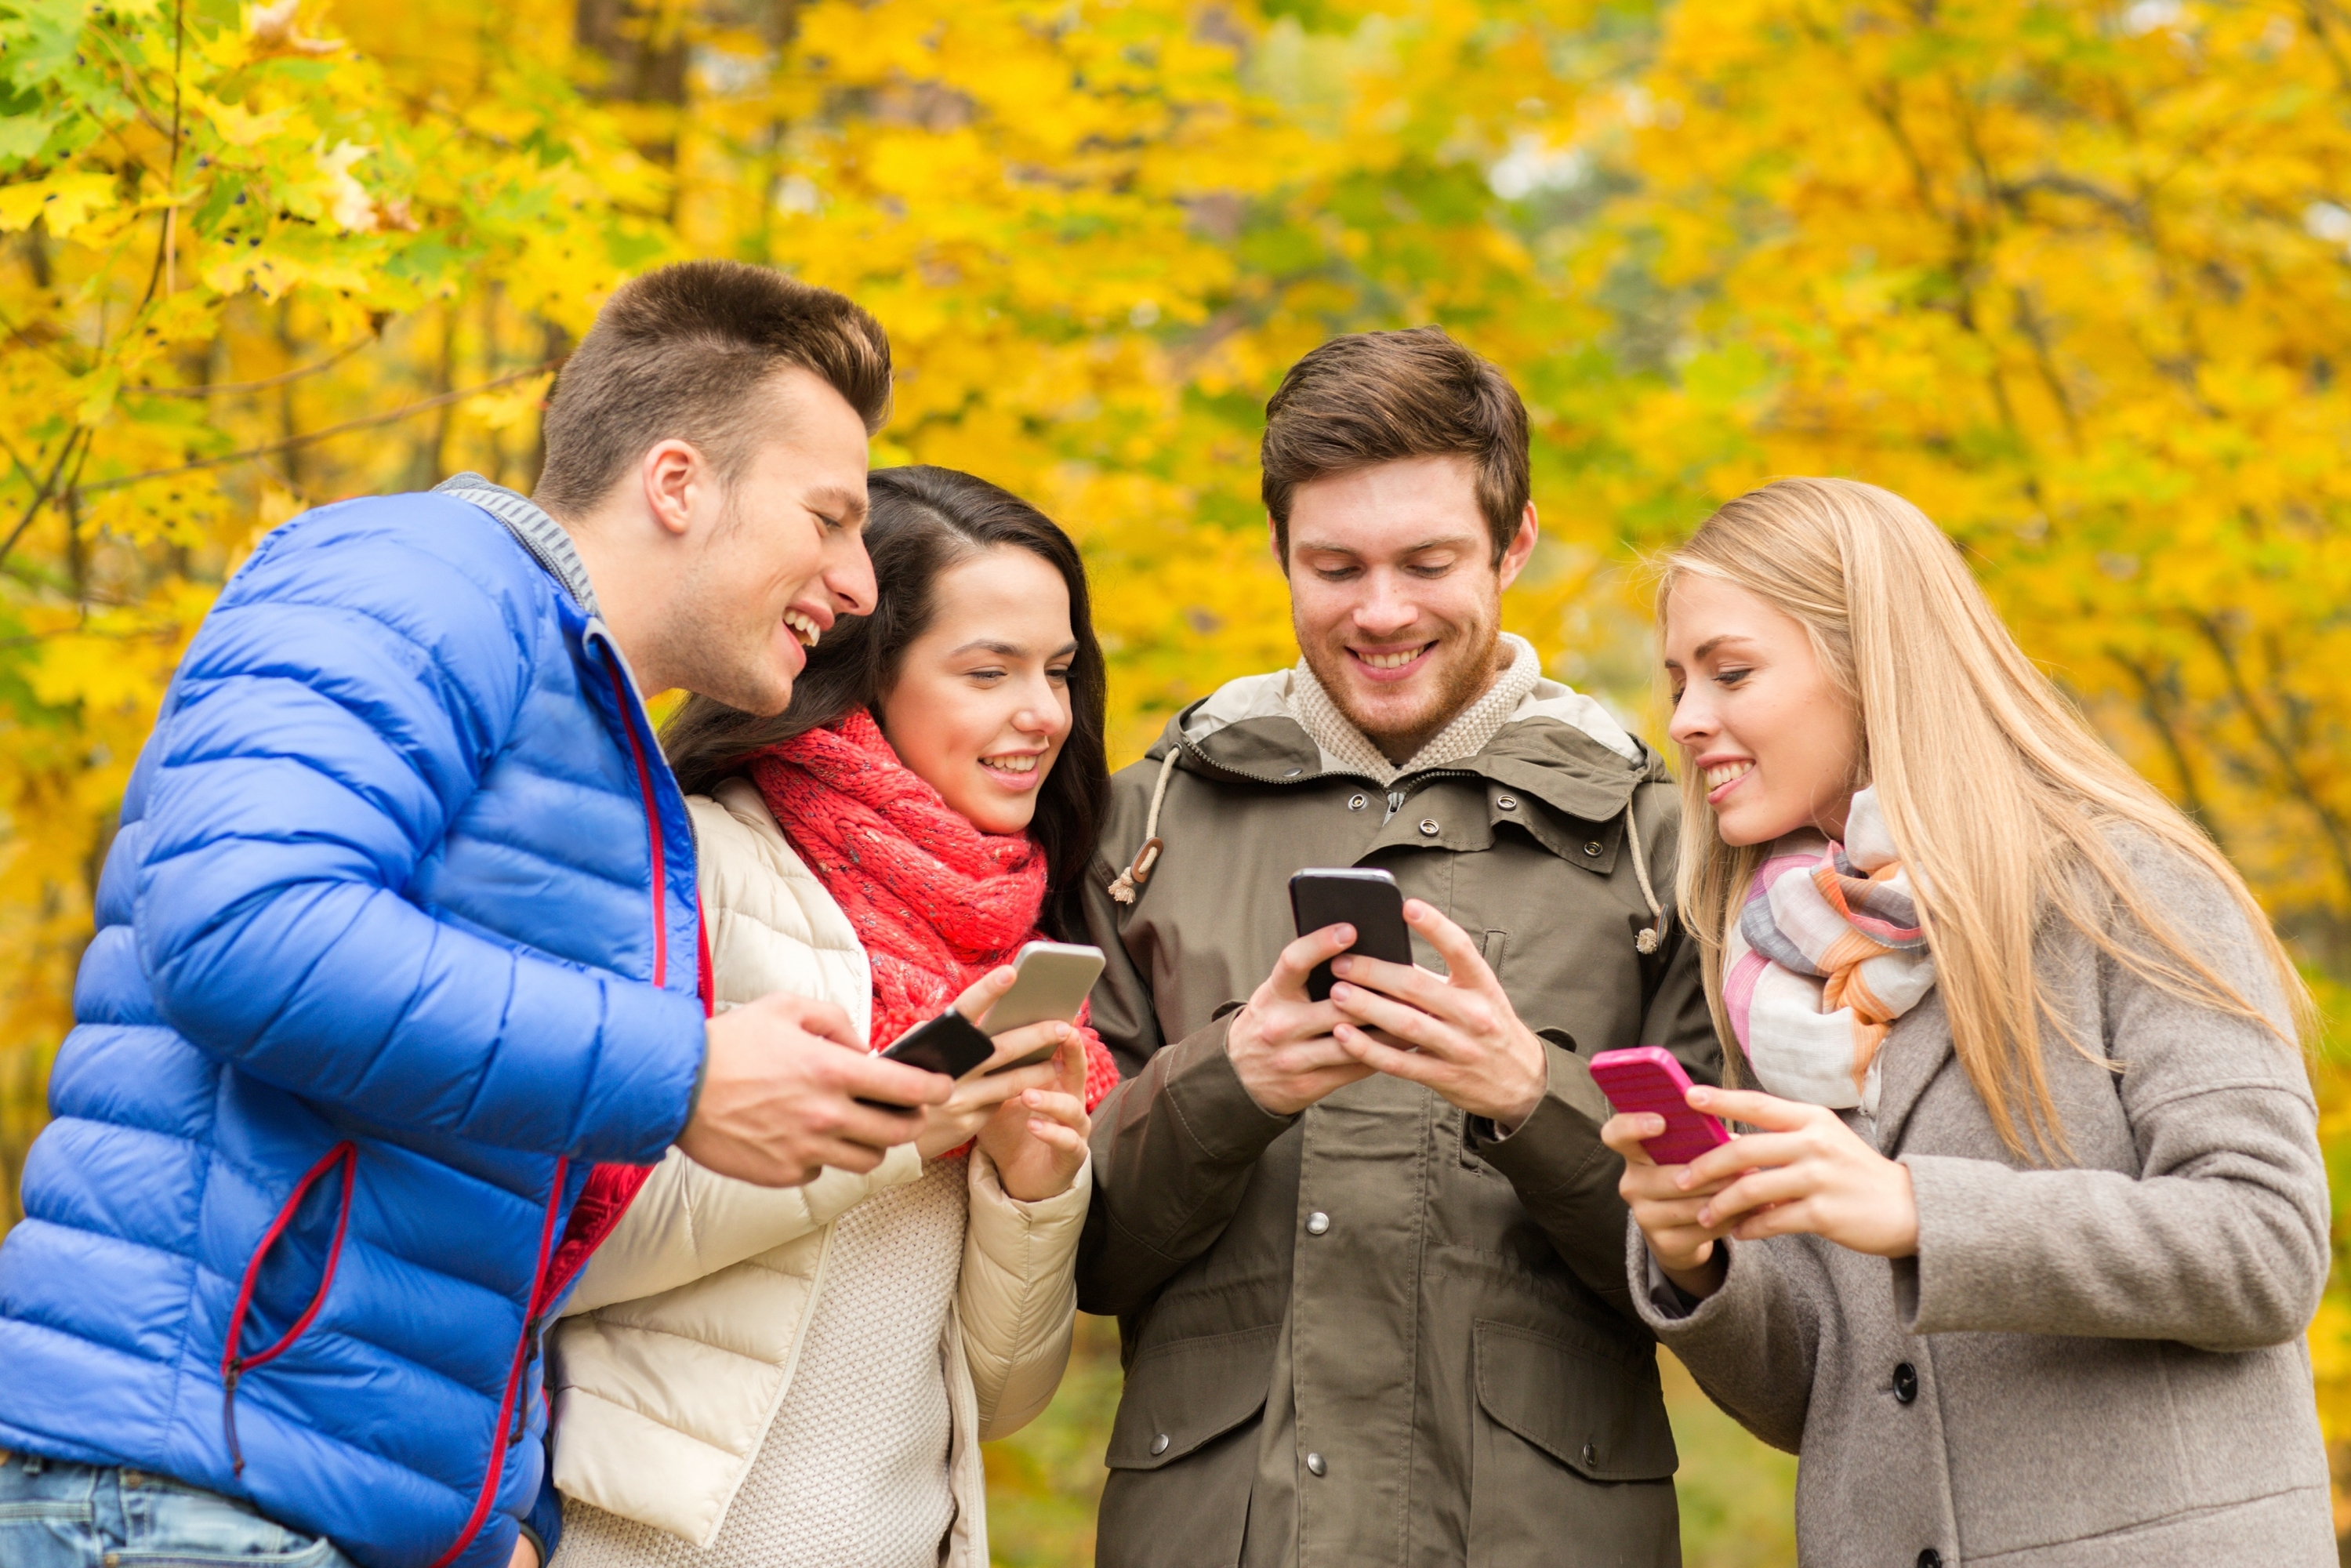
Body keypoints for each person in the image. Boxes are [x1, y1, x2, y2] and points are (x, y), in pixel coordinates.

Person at [0, 261, 967, 1568]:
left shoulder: (602, 742)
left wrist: (498, 1511)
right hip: (185, 1494)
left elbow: (446, 1180)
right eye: (830, 518)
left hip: (323, 1508)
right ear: (677, 484)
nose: (858, 582)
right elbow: (243, 926)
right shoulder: (410, 574)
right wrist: (680, 1069)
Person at [1063, 326, 1719, 1568]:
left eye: (1428, 563)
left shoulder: (1662, 842)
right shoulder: (1143, 821)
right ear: (1279, 555)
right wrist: (1231, 1082)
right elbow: (1072, 1253)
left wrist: (1531, 1097)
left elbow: (1715, 1269)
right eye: (1335, 566)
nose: (1380, 612)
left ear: (1516, 541)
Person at [1604, 477, 2333, 1566]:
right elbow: (1821, 1394)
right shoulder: (1779, 970)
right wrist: (1698, 1258)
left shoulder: (2124, 886)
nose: (1685, 720)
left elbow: (2266, 1246)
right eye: (1677, 683)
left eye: (1731, 673)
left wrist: (1916, 1209)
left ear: (1871, 661)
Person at [548, 466, 1119, 1568]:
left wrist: (1030, 1193)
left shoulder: (1013, 939)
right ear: (868, 676)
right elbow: (568, 1246)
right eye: (987, 671)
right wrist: (893, 1128)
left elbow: (995, 1402)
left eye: (1058, 671)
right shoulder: (691, 866)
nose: (1043, 713)